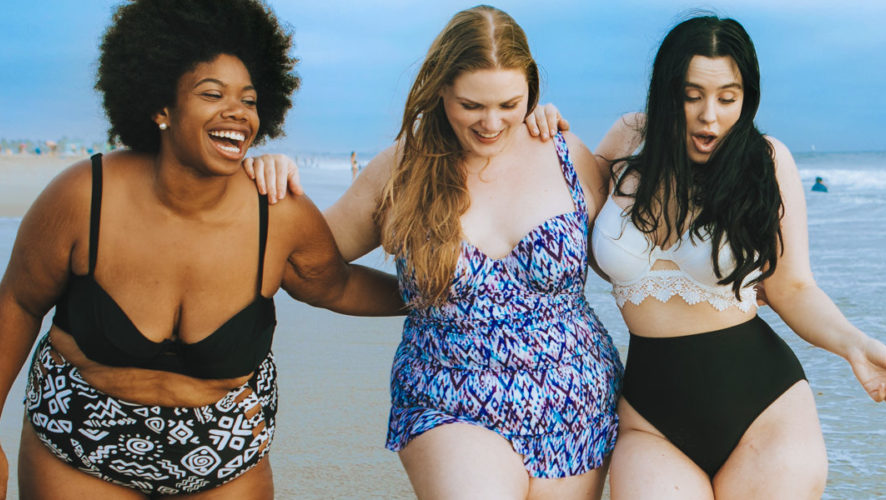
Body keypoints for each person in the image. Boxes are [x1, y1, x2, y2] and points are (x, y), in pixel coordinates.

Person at [0, 1, 403, 498]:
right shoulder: (84, 196)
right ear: (161, 108)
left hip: (225, 456)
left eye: (250, 100)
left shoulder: (278, 214)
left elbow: (334, 286)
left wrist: (430, 294)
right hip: (77, 443)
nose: (237, 112)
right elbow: (19, 303)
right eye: (212, 93)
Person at [252, 6, 619, 498]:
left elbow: (632, 254)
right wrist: (268, 181)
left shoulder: (564, 152)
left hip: (576, 398)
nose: (492, 123)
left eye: (509, 103)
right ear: (441, 88)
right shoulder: (402, 169)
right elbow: (308, 262)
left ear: (532, 89)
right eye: (472, 105)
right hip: (449, 394)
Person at [582, 17, 886, 498]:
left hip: (763, 410)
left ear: (747, 96)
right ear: (666, 90)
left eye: (727, 97)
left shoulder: (765, 162)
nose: (708, 116)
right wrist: (533, 123)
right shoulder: (631, 139)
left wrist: (853, 345)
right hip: (650, 420)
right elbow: (568, 221)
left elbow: (793, 287)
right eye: (691, 95)